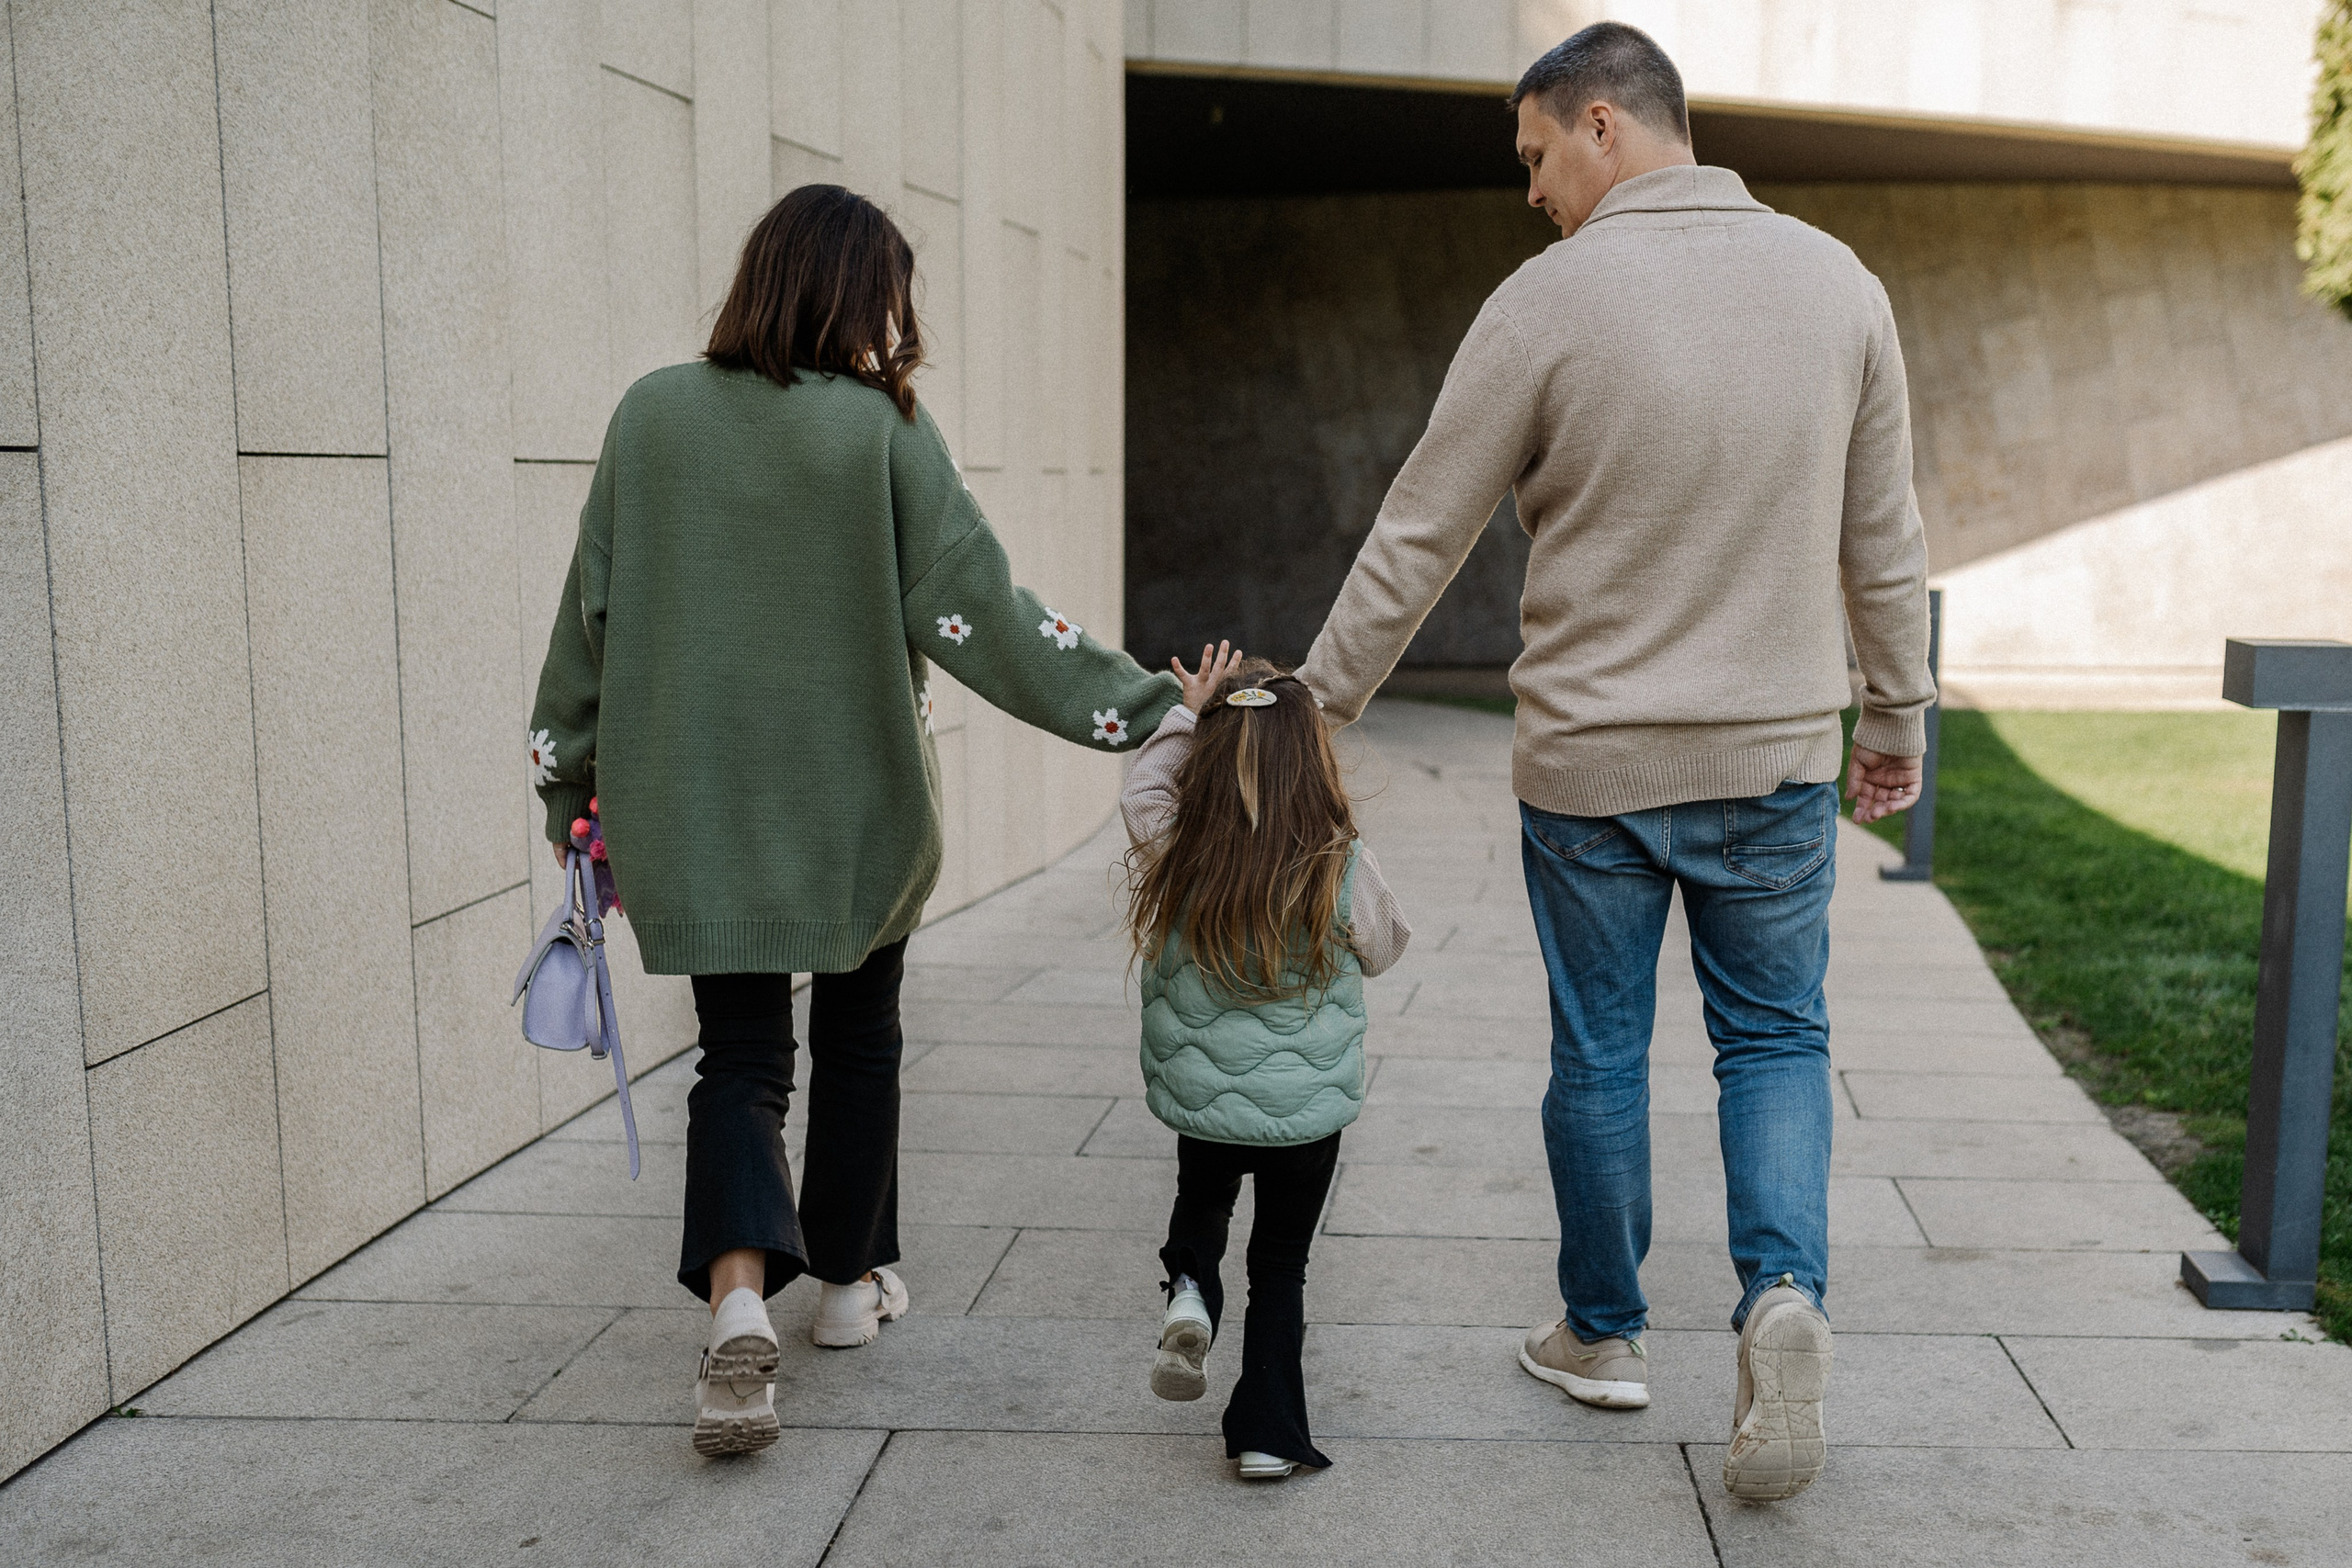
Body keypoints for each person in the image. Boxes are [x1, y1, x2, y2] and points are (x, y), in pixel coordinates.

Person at [1294, 23, 1935, 1502]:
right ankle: (1782, 1299)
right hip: (1773, 758)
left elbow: (1421, 527)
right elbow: (1883, 539)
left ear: (1601, 124)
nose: (1530, 193)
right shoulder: (1839, 284)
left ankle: (1604, 1329)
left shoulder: (1546, 302)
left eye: (1534, 159)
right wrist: (1895, 717)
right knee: (1774, 1038)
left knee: (1601, 1050)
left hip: (1589, 771)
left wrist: (1321, 705)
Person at [526, 185, 1182, 1458]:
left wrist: (569, 787)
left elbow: (585, 623)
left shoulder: (650, 417)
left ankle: (731, 1308)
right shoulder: (880, 431)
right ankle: (843, 1284)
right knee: (862, 1030)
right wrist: (1151, 708)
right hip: (857, 804)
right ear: (864, 294)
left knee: (739, 1055)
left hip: (694, 807)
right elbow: (986, 615)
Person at [1119, 646, 1412, 1481]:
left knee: (1202, 1204)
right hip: (1306, 1116)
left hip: (1208, 1103)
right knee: (1281, 1266)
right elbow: (1386, 946)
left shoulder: (1184, 849)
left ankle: (1188, 1292)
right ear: (1310, 760)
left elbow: (1142, 794)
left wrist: (1191, 711)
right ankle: (1267, 1435)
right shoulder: (1336, 861)